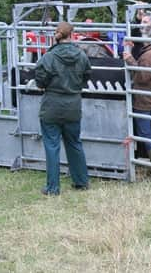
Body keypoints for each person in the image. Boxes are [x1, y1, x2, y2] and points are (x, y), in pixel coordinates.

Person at [35, 22, 92, 195]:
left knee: (52, 146)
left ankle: (53, 187)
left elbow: (40, 79)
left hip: (51, 104)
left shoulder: (49, 57)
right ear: (72, 35)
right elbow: (86, 76)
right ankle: (81, 181)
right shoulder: (82, 56)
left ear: (57, 35)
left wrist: (44, 85)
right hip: (73, 105)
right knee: (74, 143)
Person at [122, 24, 151, 172]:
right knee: (146, 131)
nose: (140, 36)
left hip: (144, 99)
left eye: (142, 33)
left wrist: (130, 60)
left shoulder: (148, 56)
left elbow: (142, 77)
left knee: (146, 133)